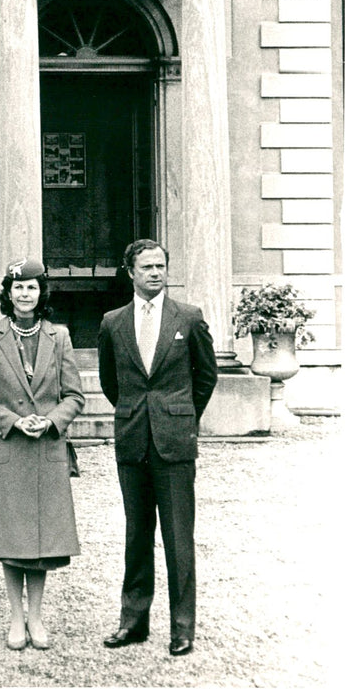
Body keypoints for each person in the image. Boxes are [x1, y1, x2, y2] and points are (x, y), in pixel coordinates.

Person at [97, 239, 218, 657]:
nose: (155, 272)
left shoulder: (189, 316)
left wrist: (180, 416)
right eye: (146, 266)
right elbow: (111, 382)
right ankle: (133, 621)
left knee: (178, 538)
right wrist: (138, 414)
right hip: (132, 440)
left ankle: (182, 628)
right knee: (136, 535)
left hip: (174, 443)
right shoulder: (113, 322)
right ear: (130, 271)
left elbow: (206, 377)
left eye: (161, 265)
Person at [0, 256, 84, 651]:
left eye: (31, 287)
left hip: (47, 449)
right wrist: (16, 421)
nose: (24, 294)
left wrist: (50, 420)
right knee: (12, 538)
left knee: (42, 543)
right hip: (9, 449)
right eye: (17, 287)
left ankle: (36, 616)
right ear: (8, 292)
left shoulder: (60, 337)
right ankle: (15, 619)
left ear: (41, 293)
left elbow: (74, 396)